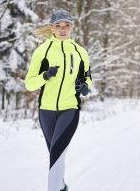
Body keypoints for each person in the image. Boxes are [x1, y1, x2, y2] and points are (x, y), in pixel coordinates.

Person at [24, 10, 92, 191]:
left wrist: (85, 86)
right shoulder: (43, 51)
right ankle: (61, 186)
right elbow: (29, 83)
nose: (63, 30)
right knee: (55, 156)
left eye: (66, 25)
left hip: (70, 109)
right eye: (58, 26)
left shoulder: (80, 52)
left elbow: (87, 78)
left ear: (72, 27)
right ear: (52, 28)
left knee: (56, 153)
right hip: (46, 110)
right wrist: (45, 76)